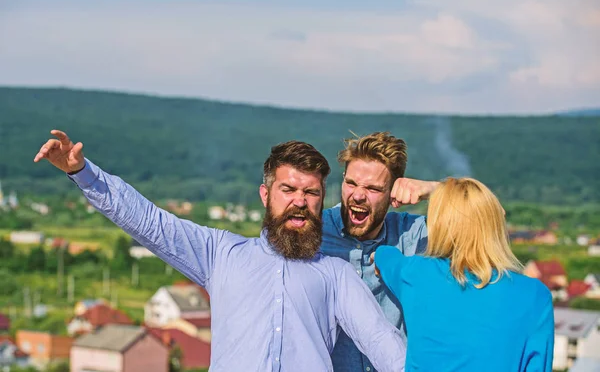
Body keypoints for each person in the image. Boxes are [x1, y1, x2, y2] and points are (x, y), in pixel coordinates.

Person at [34, 130, 406, 372]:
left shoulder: (336, 275)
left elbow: (383, 344)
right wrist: (82, 173)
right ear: (265, 195)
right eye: (288, 190)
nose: (299, 202)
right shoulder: (220, 254)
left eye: (310, 193)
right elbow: (149, 222)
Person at [373, 177, 554, 371]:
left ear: (441, 226)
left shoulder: (415, 274)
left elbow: (382, 255)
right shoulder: (535, 295)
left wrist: (438, 191)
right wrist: (437, 189)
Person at [321, 132, 439, 372]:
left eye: (373, 188)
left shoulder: (412, 234)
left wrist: (434, 190)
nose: (358, 195)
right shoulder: (314, 232)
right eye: (351, 183)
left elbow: (488, 219)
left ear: (393, 193)